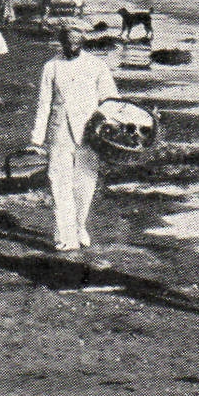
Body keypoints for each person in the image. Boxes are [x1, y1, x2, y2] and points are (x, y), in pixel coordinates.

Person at [29, 28, 119, 251]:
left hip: (90, 133)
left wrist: (113, 127)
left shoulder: (96, 66)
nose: (73, 47)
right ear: (62, 43)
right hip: (59, 132)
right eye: (68, 43)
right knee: (59, 182)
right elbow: (44, 104)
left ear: (83, 43)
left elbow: (110, 99)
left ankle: (79, 226)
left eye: (77, 43)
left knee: (86, 182)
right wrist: (37, 138)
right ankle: (64, 234)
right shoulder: (51, 67)